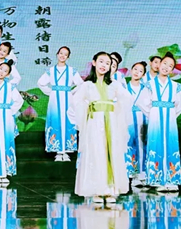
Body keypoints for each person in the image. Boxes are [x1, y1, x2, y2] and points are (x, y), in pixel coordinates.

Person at [68, 52, 132, 203]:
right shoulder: (87, 85)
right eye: (101, 61)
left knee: (111, 153)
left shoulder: (114, 85)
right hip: (94, 122)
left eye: (107, 63)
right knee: (96, 153)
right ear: (94, 62)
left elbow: (127, 99)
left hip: (111, 122)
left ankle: (111, 189)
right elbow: (75, 102)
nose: (104, 65)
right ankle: (97, 189)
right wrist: (87, 110)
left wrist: (116, 109)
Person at [136, 52, 181, 193]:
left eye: (170, 66)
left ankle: (172, 179)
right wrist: (153, 114)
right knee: (156, 145)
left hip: (170, 119)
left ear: (172, 70)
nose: (166, 67)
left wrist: (172, 114)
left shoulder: (175, 86)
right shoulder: (150, 84)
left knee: (171, 145)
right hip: (155, 118)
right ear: (159, 65)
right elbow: (141, 102)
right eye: (164, 63)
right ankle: (157, 180)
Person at [38, 46, 84, 162]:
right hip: (54, 99)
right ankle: (58, 151)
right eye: (61, 53)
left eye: (65, 54)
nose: (62, 56)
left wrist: (72, 92)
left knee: (68, 120)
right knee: (55, 121)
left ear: (68, 57)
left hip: (68, 98)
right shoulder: (51, 70)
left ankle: (67, 151)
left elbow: (81, 84)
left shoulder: (72, 71)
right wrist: (51, 92)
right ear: (57, 54)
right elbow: (41, 83)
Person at [125, 62, 148, 188]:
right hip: (128, 119)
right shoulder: (124, 87)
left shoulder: (146, 88)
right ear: (131, 70)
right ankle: (132, 174)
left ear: (143, 75)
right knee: (130, 144)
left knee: (142, 144)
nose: (136, 72)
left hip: (143, 119)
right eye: (135, 69)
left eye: (140, 71)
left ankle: (143, 173)